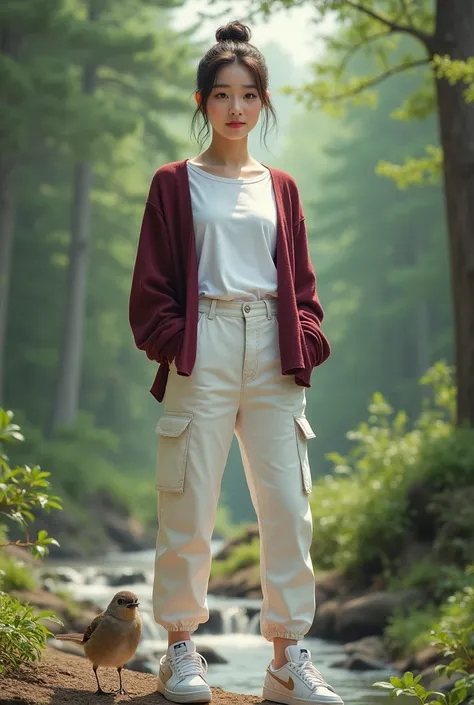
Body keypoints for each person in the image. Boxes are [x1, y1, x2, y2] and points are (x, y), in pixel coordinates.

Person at [129, 19, 343, 705]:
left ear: (264, 102)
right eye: (222, 95)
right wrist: (175, 342)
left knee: (287, 507)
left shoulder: (281, 187)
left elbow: (302, 285)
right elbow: (150, 289)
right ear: (203, 103)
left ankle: (286, 662)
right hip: (203, 346)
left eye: (248, 95)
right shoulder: (174, 183)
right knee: (188, 501)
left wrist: (305, 339)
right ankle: (181, 650)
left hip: (275, 352)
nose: (235, 108)